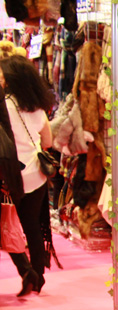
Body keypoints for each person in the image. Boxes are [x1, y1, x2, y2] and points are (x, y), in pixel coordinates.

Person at [0, 55, 54, 296]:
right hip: (36, 173)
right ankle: (38, 275)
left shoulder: (5, 105)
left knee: (8, 225)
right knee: (32, 226)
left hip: (11, 175)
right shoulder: (37, 107)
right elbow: (48, 141)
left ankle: (26, 271)